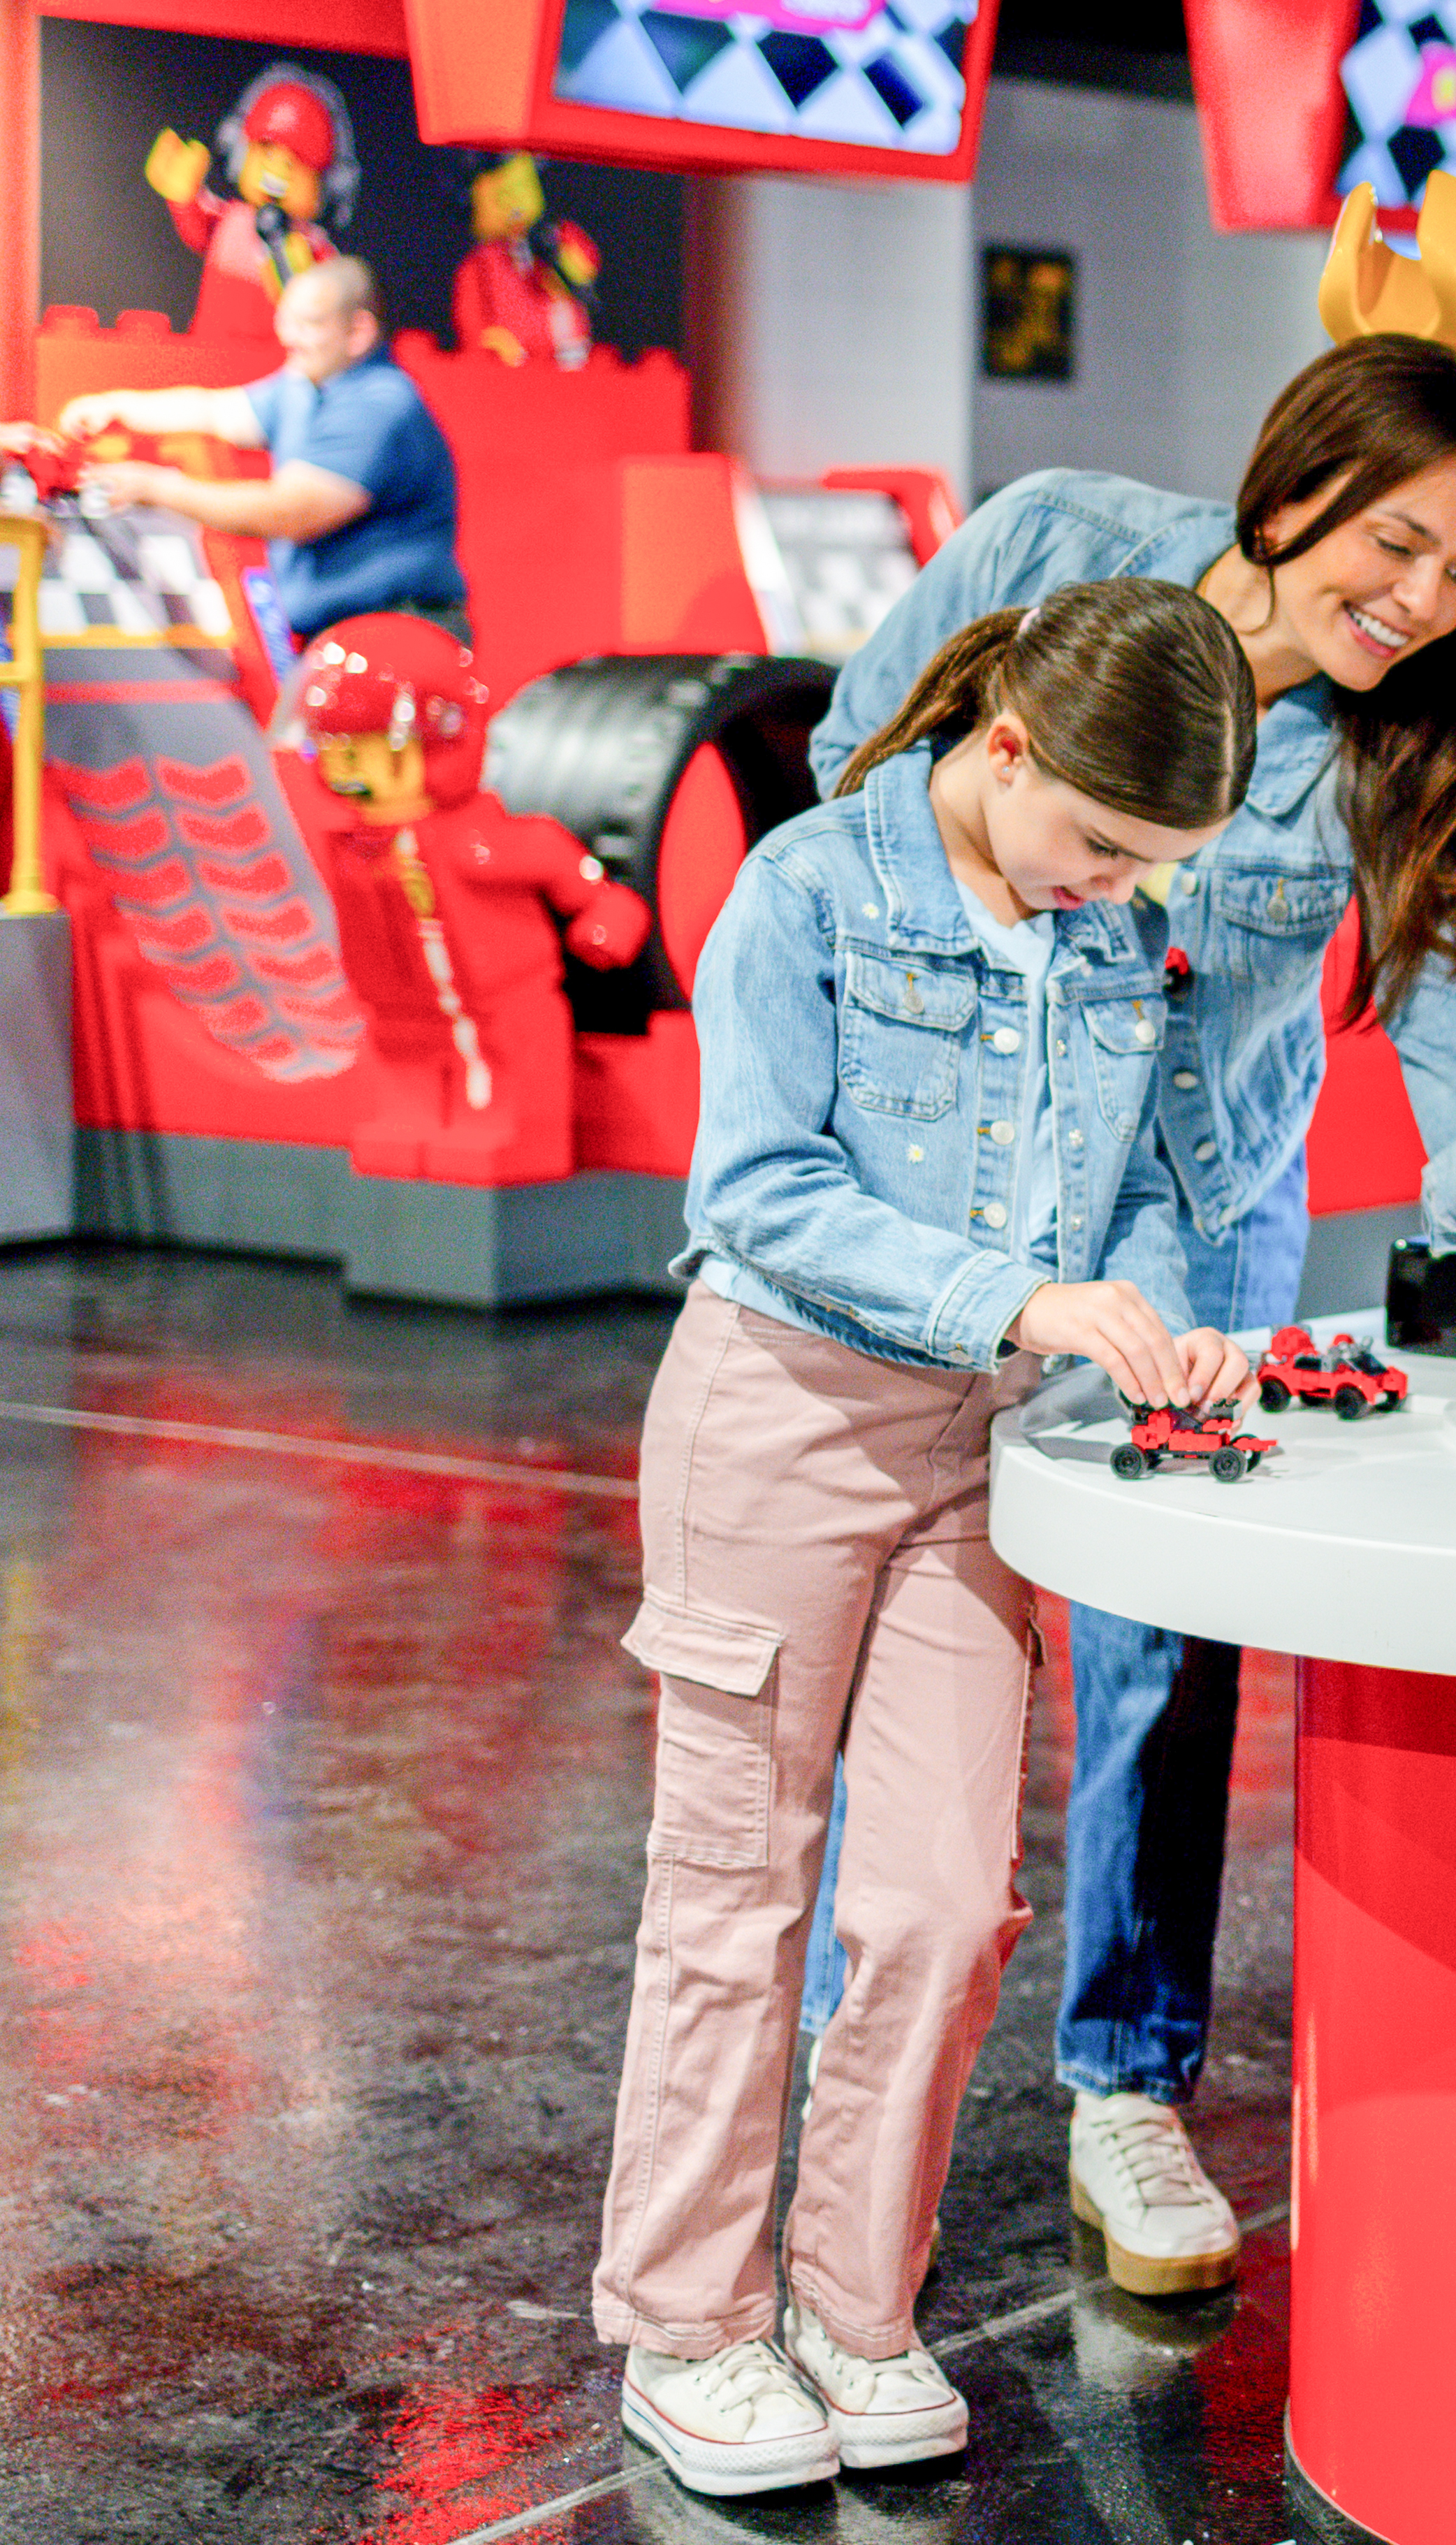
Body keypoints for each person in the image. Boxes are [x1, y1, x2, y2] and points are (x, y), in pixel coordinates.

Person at [800, 335, 1456, 2307]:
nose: (1417, 602)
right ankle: (837, 2062)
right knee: (893, 1632)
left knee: (1158, 1674)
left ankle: (1122, 2080)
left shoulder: (1404, 749)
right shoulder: (1053, 549)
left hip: (1199, 1241)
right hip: (943, 1204)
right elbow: (847, 774)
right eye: (1394, 542)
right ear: (1293, 486)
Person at [594, 578, 1262, 2497]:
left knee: (944, 1906)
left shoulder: (1116, 936)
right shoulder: (806, 893)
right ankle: (688, 2324)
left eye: (1155, 863)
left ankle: (848, 2306)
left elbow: (1138, 1187)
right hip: (779, 1418)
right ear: (1007, 748)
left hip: (986, 1449)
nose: (1117, 888)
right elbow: (758, 1190)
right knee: (734, 1892)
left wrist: (1149, 1314)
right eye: (1105, 842)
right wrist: (1019, 1297)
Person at [58, 255, 470, 651]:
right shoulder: (303, 386)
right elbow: (215, 410)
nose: (289, 337)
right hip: (340, 636)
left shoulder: (379, 402)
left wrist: (156, 488)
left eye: (309, 323)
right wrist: (116, 406)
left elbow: (291, 512)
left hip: (401, 632)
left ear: (359, 332)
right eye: (287, 320)